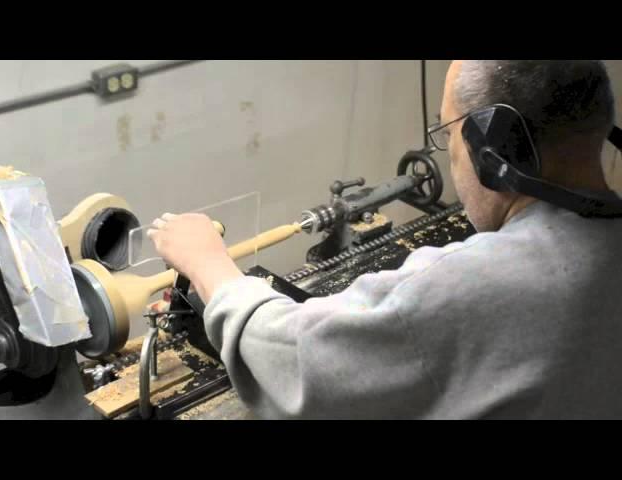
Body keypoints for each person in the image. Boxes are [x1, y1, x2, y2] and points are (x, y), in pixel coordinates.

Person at [147, 60, 622, 419]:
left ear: (496, 148)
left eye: (448, 132)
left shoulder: (470, 285)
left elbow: (295, 366)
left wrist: (208, 265)